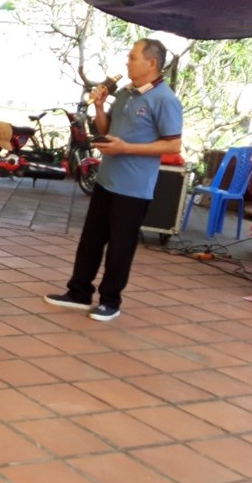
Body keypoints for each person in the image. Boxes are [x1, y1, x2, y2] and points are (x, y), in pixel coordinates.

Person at [46, 38, 183, 321]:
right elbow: (107, 130)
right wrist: (98, 107)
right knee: (91, 240)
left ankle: (110, 301)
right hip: (106, 179)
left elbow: (173, 145)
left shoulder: (165, 99)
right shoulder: (124, 92)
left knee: (120, 247)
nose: (127, 62)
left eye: (132, 57)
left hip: (134, 188)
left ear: (151, 63)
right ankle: (79, 292)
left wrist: (126, 148)